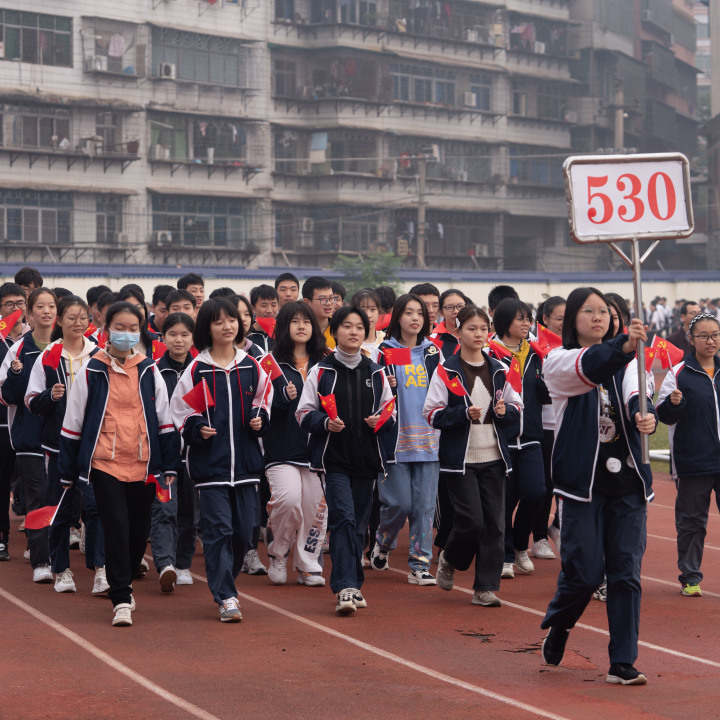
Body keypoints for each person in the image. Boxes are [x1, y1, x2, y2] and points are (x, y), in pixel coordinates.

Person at [540, 287, 656, 686]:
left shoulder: (630, 361)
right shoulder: (559, 361)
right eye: (587, 311)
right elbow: (590, 367)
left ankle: (623, 660)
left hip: (627, 482)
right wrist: (624, 347)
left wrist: (647, 416)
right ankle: (561, 623)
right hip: (582, 485)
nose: (598, 317)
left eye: (604, 311)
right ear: (571, 319)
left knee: (626, 573)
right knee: (585, 574)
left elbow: (638, 393)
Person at [58, 301, 179, 627]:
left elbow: (166, 422)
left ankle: (124, 574)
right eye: (119, 328)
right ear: (107, 330)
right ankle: (121, 598)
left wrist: (169, 466)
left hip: (142, 465)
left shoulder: (149, 371)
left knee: (138, 533)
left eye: (132, 328)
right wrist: (68, 473)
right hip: (104, 465)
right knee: (116, 527)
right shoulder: (92, 371)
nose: (126, 334)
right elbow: (73, 423)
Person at [171, 297, 271, 623]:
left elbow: (264, 400)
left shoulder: (251, 365)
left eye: (231, 320)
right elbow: (181, 412)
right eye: (219, 321)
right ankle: (226, 596)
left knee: (244, 534)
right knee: (218, 530)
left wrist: (260, 417)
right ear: (207, 328)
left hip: (245, 467)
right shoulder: (197, 369)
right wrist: (197, 427)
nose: (227, 326)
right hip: (210, 466)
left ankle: (226, 579)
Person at [296, 306, 395, 615]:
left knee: (359, 525)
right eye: (347, 326)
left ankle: (354, 584)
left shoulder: (375, 371)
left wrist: (379, 420)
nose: (353, 332)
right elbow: (303, 413)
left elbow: (391, 413)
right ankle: (344, 587)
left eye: (359, 327)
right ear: (334, 331)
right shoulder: (322, 371)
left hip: (366, 459)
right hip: (333, 460)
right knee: (343, 519)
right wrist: (325, 423)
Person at [422, 305, 522, 606]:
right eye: (471, 328)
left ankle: (485, 587)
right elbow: (431, 413)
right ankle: (450, 559)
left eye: (482, 329)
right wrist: (461, 413)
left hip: (494, 457)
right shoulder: (447, 370)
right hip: (460, 460)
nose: (478, 334)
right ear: (458, 331)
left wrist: (506, 413)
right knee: (471, 521)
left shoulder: (499, 370)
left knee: (495, 523)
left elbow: (518, 409)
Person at [25, 295, 106, 594]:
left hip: (93, 446)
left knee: (96, 508)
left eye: (82, 317)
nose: (78, 322)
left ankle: (100, 569)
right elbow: (31, 401)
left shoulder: (99, 355)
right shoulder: (49, 355)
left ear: (89, 320)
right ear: (59, 321)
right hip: (58, 446)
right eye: (71, 317)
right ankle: (61, 570)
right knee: (60, 509)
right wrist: (52, 396)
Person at [370, 294, 441, 585]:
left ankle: (420, 564)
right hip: (395, 441)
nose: (415, 318)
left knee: (424, 507)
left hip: (429, 441)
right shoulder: (385, 351)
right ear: (397, 316)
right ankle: (383, 542)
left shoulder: (433, 352)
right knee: (398, 504)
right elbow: (373, 390)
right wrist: (386, 384)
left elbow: (446, 390)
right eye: (409, 312)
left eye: (420, 314)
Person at [264, 301, 328, 586]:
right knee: (288, 502)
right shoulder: (270, 364)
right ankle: (278, 554)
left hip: (318, 452)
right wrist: (281, 399)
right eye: (294, 321)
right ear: (283, 327)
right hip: (282, 450)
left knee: (315, 509)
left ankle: (307, 564)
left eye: (306, 321)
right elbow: (259, 408)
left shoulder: (326, 362)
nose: (301, 326)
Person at [657, 312, 720, 597]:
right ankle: (691, 576)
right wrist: (674, 404)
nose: (711, 341)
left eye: (715, 335)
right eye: (704, 336)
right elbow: (663, 416)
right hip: (694, 461)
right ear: (691, 339)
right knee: (692, 521)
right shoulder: (677, 373)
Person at [489, 298, 551, 579]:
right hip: (500, 437)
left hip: (531, 437)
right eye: (520, 319)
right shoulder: (489, 354)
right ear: (504, 323)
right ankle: (504, 555)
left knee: (536, 493)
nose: (527, 324)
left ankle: (518, 544)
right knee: (504, 500)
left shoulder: (537, 353)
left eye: (528, 318)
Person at [0, 288, 58, 583]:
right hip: (29, 436)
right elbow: (6, 396)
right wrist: (17, 375)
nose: (46, 311)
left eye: (51, 306)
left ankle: (59, 557)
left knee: (60, 498)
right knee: (37, 496)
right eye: (40, 307)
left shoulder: (70, 348)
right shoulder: (19, 349)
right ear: (30, 313)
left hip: (61, 437)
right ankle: (41, 561)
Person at [153, 312, 198, 590]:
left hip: (195, 455)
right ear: (163, 337)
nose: (178, 340)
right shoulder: (154, 370)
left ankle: (183, 564)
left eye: (184, 334)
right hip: (162, 455)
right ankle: (165, 563)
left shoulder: (201, 369)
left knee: (189, 513)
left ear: (193, 338)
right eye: (173, 334)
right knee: (164, 509)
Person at [531, 296, 565, 560]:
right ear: (545, 320)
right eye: (559, 318)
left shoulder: (575, 346)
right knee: (542, 485)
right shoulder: (535, 347)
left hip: (568, 425)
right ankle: (538, 537)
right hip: (543, 424)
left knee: (562, 484)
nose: (565, 324)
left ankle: (554, 528)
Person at [0, 283, 29, 560]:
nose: (15, 308)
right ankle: (2, 539)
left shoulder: (34, 339)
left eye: (20, 302)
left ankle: (37, 541)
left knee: (34, 483)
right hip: (1, 423)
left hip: (29, 421)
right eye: (9, 304)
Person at [433, 289, 471, 359]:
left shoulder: (476, 336)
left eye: (460, 306)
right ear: (441, 312)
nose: (456, 311)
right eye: (449, 307)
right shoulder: (433, 339)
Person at [302, 276, 336, 350]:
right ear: (307, 302)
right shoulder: (300, 329)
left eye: (331, 298)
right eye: (322, 299)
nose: (329, 303)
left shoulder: (339, 327)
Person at [351, 289, 385, 361]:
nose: (368, 315)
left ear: (379, 312)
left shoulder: (387, 340)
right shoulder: (348, 342)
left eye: (372, 309)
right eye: (363, 310)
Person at [247, 284, 279, 354]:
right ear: (253, 308)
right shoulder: (246, 335)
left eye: (273, 305)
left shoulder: (284, 334)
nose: (269, 310)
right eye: (264, 306)